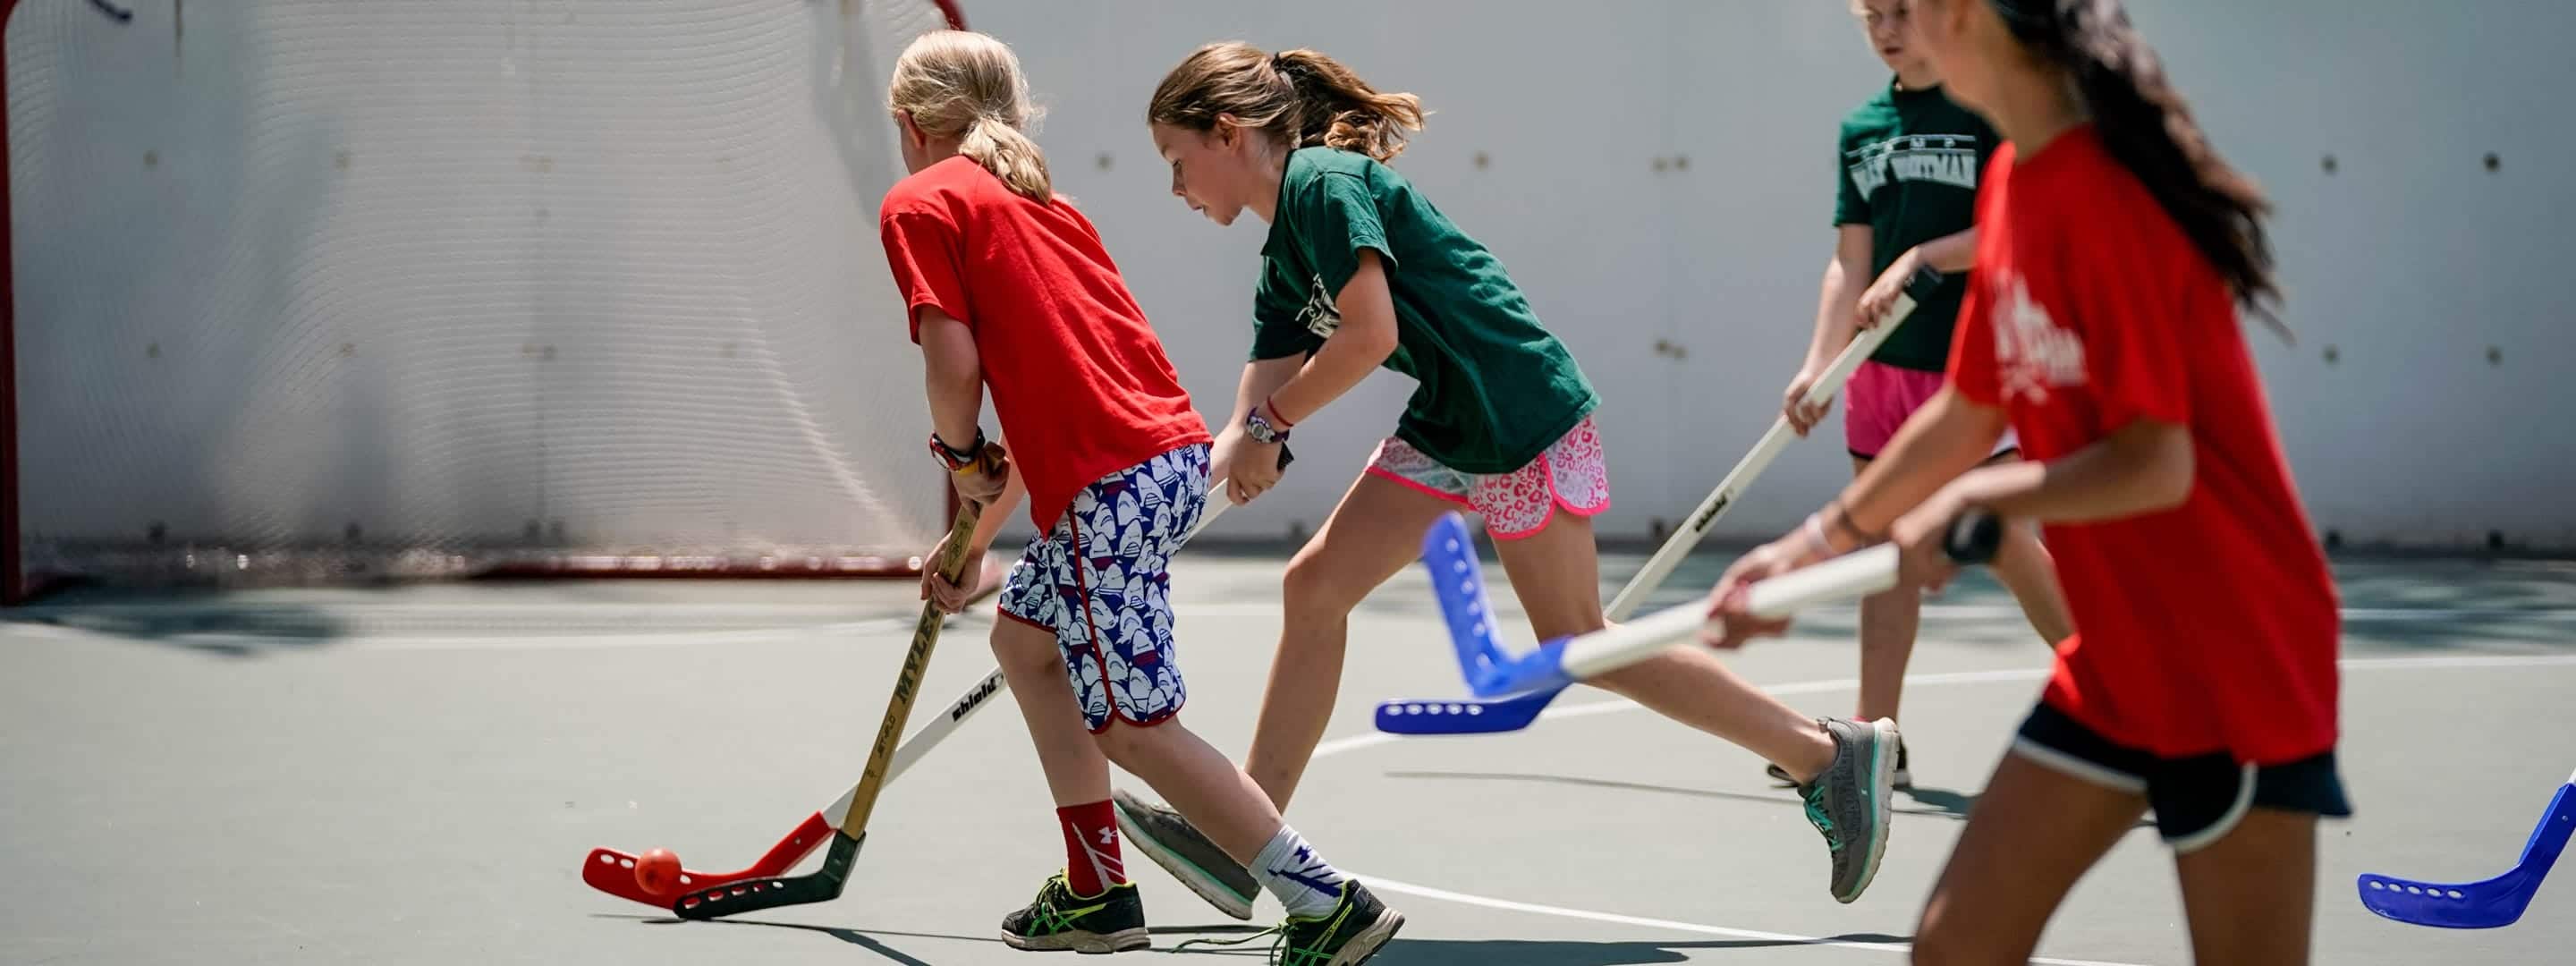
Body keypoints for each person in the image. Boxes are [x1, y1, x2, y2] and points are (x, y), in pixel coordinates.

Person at [1115, 39, 1902, 917]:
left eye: (1176, 163)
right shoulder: (1283, 253)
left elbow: (1366, 338)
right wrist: (1193, 485)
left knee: (1579, 641)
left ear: (1226, 133)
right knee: (1316, 588)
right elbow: (1251, 406)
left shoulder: (1323, 183)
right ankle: (1246, 844)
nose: (1177, 189)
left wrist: (1272, 426)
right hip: (1454, 420)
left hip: (1518, 406)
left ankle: (1827, 758)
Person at [1704, 1, 2350, 962]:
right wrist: (1805, 548)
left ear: (1963, 14)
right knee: (1956, 947)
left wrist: (1977, 501)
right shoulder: (2014, 179)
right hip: (2115, 666)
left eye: (1908, 9)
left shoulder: (2113, 190)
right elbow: (1969, 412)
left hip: (2232, 656)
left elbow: (2154, 459)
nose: (1891, 25)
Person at [881, 30, 1403, 961]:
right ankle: (1096, 889)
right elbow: (1066, 403)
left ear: (912, 126)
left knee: (1131, 724)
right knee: (1024, 641)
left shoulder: (921, 202)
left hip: (1105, 491)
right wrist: (978, 527)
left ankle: (1327, 905)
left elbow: (952, 368)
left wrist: (958, 458)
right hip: (1162, 465)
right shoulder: (1046, 204)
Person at [1773, 0, 2077, 790]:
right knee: (1884, 556)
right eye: (1873, 16)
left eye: (1903, 12)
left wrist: (1922, 258)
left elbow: (2012, 228)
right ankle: (1877, 744)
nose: (1887, 29)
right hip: (1883, 372)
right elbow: (1850, 262)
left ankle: (2123, 699)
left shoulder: (1986, 107)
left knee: (2000, 536)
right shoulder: (1862, 127)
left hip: (1975, 369)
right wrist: (1818, 365)